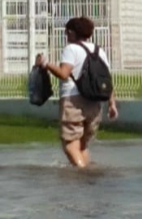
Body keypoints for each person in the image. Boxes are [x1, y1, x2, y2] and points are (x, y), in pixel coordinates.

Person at [36, 16, 118, 169]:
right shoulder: (99, 51)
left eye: (66, 33)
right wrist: (112, 104)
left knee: (70, 145)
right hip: (95, 103)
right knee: (82, 145)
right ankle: (88, 180)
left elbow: (64, 73)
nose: (66, 36)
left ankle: (83, 174)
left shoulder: (71, 49)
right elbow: (107, 80)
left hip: (73, 101)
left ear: (72, 32)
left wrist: (45, 64)